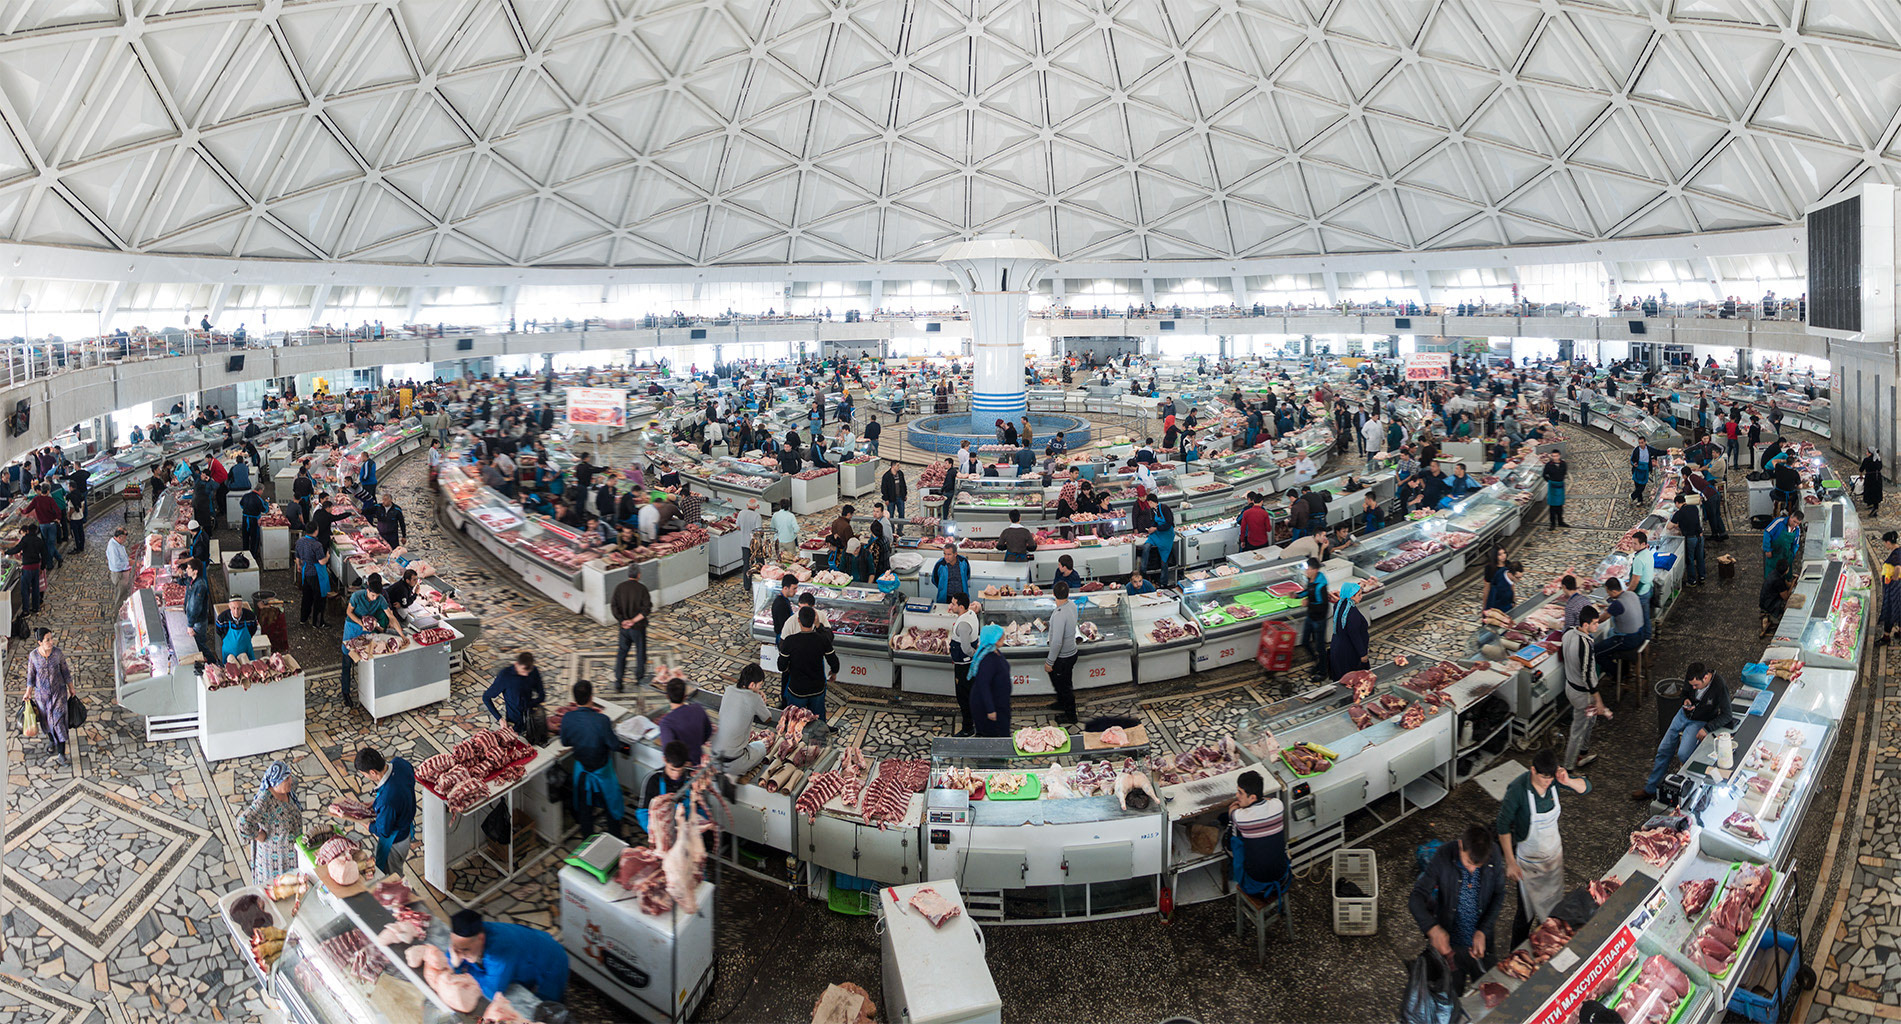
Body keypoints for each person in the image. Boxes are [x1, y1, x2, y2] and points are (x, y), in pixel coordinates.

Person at [1496, 749, 1591, 948]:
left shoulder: (1555, 780)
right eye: (1543, 778)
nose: (1548, 783)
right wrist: (1510, 862)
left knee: (1552, 911)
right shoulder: (1518, 790)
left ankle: (1544, 948)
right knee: (1525, 914)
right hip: (1528, 865)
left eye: (1550, 778)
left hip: (1553, 860)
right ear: (1532, 770)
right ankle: (1516, 952)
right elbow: (1503, 826)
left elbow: (1587, 787)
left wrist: (1568, 781)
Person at [1409, 825, 1504, 996]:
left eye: (1478, 866)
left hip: (1481, 944)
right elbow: (1416, 897)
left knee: (1490, 995)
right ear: (1461, 845)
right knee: (1452, 996)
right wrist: (1433, 929)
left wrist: (1483, 930)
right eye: (1468, 862)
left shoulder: (1494, 853)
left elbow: (1498, 894)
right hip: (1451, 944)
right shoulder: (1444, 855)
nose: (1472, 870)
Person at [448, 909, 570, 1003]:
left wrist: (466, 970)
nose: (460, 954)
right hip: (524, 956)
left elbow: (492, 992)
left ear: (481, 938)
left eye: (465, 950)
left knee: (546, 1007)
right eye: (456, 948)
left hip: (551, 961)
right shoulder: (472, 936)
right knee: (519, 978)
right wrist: (455, 963)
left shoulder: (500, 952)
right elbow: (450, 957)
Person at [560, 679, 630, 839]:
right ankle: (616, 839)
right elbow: (613, 744)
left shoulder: (567, 718)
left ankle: (588, 843)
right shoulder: (602, 720)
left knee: (585, 811)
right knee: (611, 806)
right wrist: (625, 747)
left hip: (582, 772)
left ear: (575, 698)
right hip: (603, 774)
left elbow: (565, 741)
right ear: (592, 696)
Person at [236, 759, 302, 881]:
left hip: (292, 856)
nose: (291, 781)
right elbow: (243, 823)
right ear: (276, 782)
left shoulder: (289, 790)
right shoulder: (264, 801)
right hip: (274, 862)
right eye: (286, 780)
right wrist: (259, 835)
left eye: (290, 777)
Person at [1561, 607, 1610, 771]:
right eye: (1595, 623)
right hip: (1582, 694)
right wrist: (1599, 701)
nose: (1597, 626)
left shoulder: (1568, 632)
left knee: (1590, 719)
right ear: (1585, 624)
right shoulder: (1586, 644)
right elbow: (1588, 676)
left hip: (1569, 686)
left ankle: (1582, 753)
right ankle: (1568, 767)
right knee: (1577, 730)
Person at [352, 747, 415, 873]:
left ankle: (403, 892)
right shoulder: (400, 763)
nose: (366, 777)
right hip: (406, 829)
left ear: (373, 772)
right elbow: (401, 790)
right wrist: (376, 803)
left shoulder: (387, 800)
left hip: (395, 844)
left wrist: (368, 825)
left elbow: (383, 831)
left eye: (365, 774)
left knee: (392, 878)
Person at [1226, 769, 1288, 896]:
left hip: (1255, 883)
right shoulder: (1278, 805)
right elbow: (1268, 799)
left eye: (1240, 793)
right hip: (1282, 875)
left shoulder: (1241, 818)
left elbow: (1231, 809)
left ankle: (1232, 877)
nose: (1237, 796)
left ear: (1252, 797)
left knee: (1234, 839)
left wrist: (1240, 805)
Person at [340, 574, 397, 703]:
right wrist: (361, 623)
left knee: (367, 660)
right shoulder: (357, 596)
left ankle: (367, 693)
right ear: (367, 589)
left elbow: (390, 615)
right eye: (373, 595)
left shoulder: (380, 598)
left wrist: (402, 634)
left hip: (367, 631)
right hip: (352, 628)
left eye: (377, 595)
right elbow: (349, 612)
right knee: (347, 661)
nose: (374, 598)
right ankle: (345, 692)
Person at [711, 664, 775, 776]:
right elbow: (767, 718)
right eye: (759, 685)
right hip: (733, 764)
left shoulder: (729, 690)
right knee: (763, 747)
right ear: (751, 684)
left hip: (715, 757)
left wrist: (756, 693)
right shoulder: (755, 698)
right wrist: (760, 699)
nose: (760, 688)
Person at [778, 607, 837, 718]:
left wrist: (788, 668)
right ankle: (819, 734)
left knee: (795, 720)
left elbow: (781, 666)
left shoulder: (790, 641)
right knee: (818, 719)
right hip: (817, 688)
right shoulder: (822, 640)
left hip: (797, 689)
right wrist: (834, 672)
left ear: (798, 620)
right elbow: (833, 660)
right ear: (815, 620)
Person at [23, 628, 71, 766]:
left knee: (59, 722)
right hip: (41, 696)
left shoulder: (57, 654)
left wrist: (71, 688)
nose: (51, 642)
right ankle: (51, 740)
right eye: (47, 640)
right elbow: (31, 676)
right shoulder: (33, 656)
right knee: (46, 722)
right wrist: (28, 692)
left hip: (59, 694)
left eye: (51, 638)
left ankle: (61, 753)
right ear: (39, 642)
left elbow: (65, 671)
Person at [966, 623, 1012, 737]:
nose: (1003, 638)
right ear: (993, 639)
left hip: (999, 703)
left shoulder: (994, 651)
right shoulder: (988, 659)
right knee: (995, 736)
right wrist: (990, 710)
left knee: (1002, 733)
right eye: (1000, 636)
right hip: (987, 707)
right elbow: (983, 685)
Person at [482, 651, 545, 733]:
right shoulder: (505, 676)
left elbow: (541, 695)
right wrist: (499, 719)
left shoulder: (533, 671)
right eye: (523, 671)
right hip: (514, 723)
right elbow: (486, 697)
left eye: (528, 672)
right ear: (516, 664)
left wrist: (531, 705)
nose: (526, 674)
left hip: (532, 720)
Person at [612, 573, 652, 693]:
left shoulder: (620, 587)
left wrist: (622, 621)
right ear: (639, 575)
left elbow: (614, 606)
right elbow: (647, 609)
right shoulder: (642, 589)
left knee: (622, 654)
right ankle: (639, 678)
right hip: (638, 628)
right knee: (640, 653)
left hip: (624, 629)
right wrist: (633, 621)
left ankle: (618, 681)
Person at [1045, 582, 1079, 725]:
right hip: (1072, 653)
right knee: (1063, 682)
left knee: (1064, 686)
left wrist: (1049, 662)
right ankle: (1061, 702)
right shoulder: (1071, 605)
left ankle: (1071, 716)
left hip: (1063, 657)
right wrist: (1050, 625)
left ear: (1054, 594)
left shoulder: (1059, 614)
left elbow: (1057, 642)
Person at [657, 676, 712, 764]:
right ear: (685, 696)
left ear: (667, 696)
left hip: (683, 767)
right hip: (698, 759)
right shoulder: (698, 708)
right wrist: (696, 743)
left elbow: (669, 754)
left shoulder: (666, 722)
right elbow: (708, 731)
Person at [639, 741, 691, 832]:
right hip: (661, 832)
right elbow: (642, 813)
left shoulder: (692, 779)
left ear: (686, 764)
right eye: (672, 769)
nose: (676, 775)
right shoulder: (653, 780)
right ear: (664, 759)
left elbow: (701, 808)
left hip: (686, 831)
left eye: (680, 770)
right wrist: (654, 834)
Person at [948, 593, 981, 737]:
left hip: (963, 666)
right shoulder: (971, 613)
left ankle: (968, 728)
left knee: (963, 697)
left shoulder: (963, 625)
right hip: (968, 665)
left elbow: (966, 649)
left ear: (961, 607)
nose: (951, 606)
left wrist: (975, 655)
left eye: (954, 604)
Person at [1133, 488, 1176, 586]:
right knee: (1146, 546)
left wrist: (1155, 529)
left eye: (1149, 503)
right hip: (1156, 535)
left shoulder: (1164, 508)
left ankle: (1163, 582)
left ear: (1152, 502)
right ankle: (1143, 573)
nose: (1148, 505)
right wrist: (1151, 528)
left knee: (1163, 560)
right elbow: (1155, 521)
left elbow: (1169, 524)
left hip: (1166, 535)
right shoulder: (1152, 510)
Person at [1326, 581, 1368, 681]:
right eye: (1359, 595)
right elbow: (1355, 636)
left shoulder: (1339, 605)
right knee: (1352, 680)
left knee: (1340, 675)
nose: (1361, 597)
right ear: (1351, 597)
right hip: (1349, 651)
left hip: (1337, 646)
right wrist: (1362, 654)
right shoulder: (1352, 614)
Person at [1298, 556, 1329, 676]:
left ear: (1315, 570)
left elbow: (1323, 606)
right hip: (1310, 617)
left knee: (1320, 646)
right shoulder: (1311, 580)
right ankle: (1316, 661)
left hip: (1319, 620)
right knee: (1305, 641)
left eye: (1309, 569)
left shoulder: (1321, 586)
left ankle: (1323, 671)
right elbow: (1307, 591)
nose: (1306, 571)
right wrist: (1297, 596)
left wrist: (1308, 603)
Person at [294, 523, 329, 627]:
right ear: (316, 531)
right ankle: (318, 623)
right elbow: (322, 562)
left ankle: (303, 619)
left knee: (307, 597)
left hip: (306, 572)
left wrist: (299, 566)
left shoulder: (300, 541)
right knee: (319, 598)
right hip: (316, 574)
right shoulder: (317, 545)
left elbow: (297, 556)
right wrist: (327, 556)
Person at [1669, 492, 1706, 586]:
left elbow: (1669, 527)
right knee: (1700, 557)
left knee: (1690, 560)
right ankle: (1702, 577)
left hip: (1690, 539)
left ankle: (1692, 581)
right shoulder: (1694, 508)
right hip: (1700, 536)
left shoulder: (1679, 513)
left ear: (1677, 503)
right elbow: (1691, 520)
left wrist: (1675, 524)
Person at [7, 526, 43, 617]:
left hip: (27, 568)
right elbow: (44, 554)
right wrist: (42, 567)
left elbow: (17, 549)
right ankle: (36, 608)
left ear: (27, 531)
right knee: (35, 588)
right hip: (36, 568)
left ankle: (26, 611)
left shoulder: (25, 539)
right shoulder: (38, 540)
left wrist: (6, 552)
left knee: (25, 590)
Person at [183, 558, 214, 664]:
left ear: (195, 571)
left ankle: (214, 663)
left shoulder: (200, 586)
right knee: (199, 644)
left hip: (199, 622)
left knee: (201, 645)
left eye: (189, 568)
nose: (186, 570)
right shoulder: (193, 581)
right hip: (195, 621)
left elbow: (195, 607)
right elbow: (185, 584)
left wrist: (190, 625)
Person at [215, 597, 259, 665]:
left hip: (246, 652)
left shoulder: (250, 616)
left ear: (242, 606)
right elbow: (219, 631)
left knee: (250, 670)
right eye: (233, 608)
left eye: (238, 608)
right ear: (229, 606)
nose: (236, 611)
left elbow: (253, 629)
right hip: (228, 653)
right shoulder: (222, 618)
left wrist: (247, 637)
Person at [1880, 532, 1901, 646]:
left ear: (1888, 542)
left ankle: (1886, 636)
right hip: (1898, 587)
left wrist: (1894, 579)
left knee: (1890, 608)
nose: (1885, 545)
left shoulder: (1895, 555)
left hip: (1894, 587)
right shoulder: (1899, 550)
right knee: (1899, 606)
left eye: (1885, 543)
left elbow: (1898, 567)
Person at [105, 526, 132, 614]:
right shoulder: (113, 547)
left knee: (123, 595)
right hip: (119, 575)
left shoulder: (118, 544)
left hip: (123, 573)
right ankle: (117, 616)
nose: (125, 540)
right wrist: (129, 563)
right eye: (124, 538)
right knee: (121, 597)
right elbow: (116, 564)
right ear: (119, 537)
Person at [1542, 451, 1568, 529]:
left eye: (1556, 456)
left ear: (1559, 456)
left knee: (1560, 505)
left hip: (1560, 484)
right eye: (1553, 456)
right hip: (1552, 485)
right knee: (1552, 506)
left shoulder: (1563, 464)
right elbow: (1544, 475)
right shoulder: (1548, 465)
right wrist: (1550, 481)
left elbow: (1564, 473)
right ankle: (1552, 523)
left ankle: (1560, 521)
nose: (1555, 457)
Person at [1863, 447, 1884, 514]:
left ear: (1870, 453)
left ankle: (1870, 503)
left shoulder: (1866, 460)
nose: (1866, 453)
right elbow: (1880, 467)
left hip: (1869, 478)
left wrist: (1861, 475)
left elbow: (1861, 468)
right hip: (1877, 478)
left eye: (1867, 452)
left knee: (1869, 491)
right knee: (1876, 491)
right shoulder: (1878, 460)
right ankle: (1875, 506)